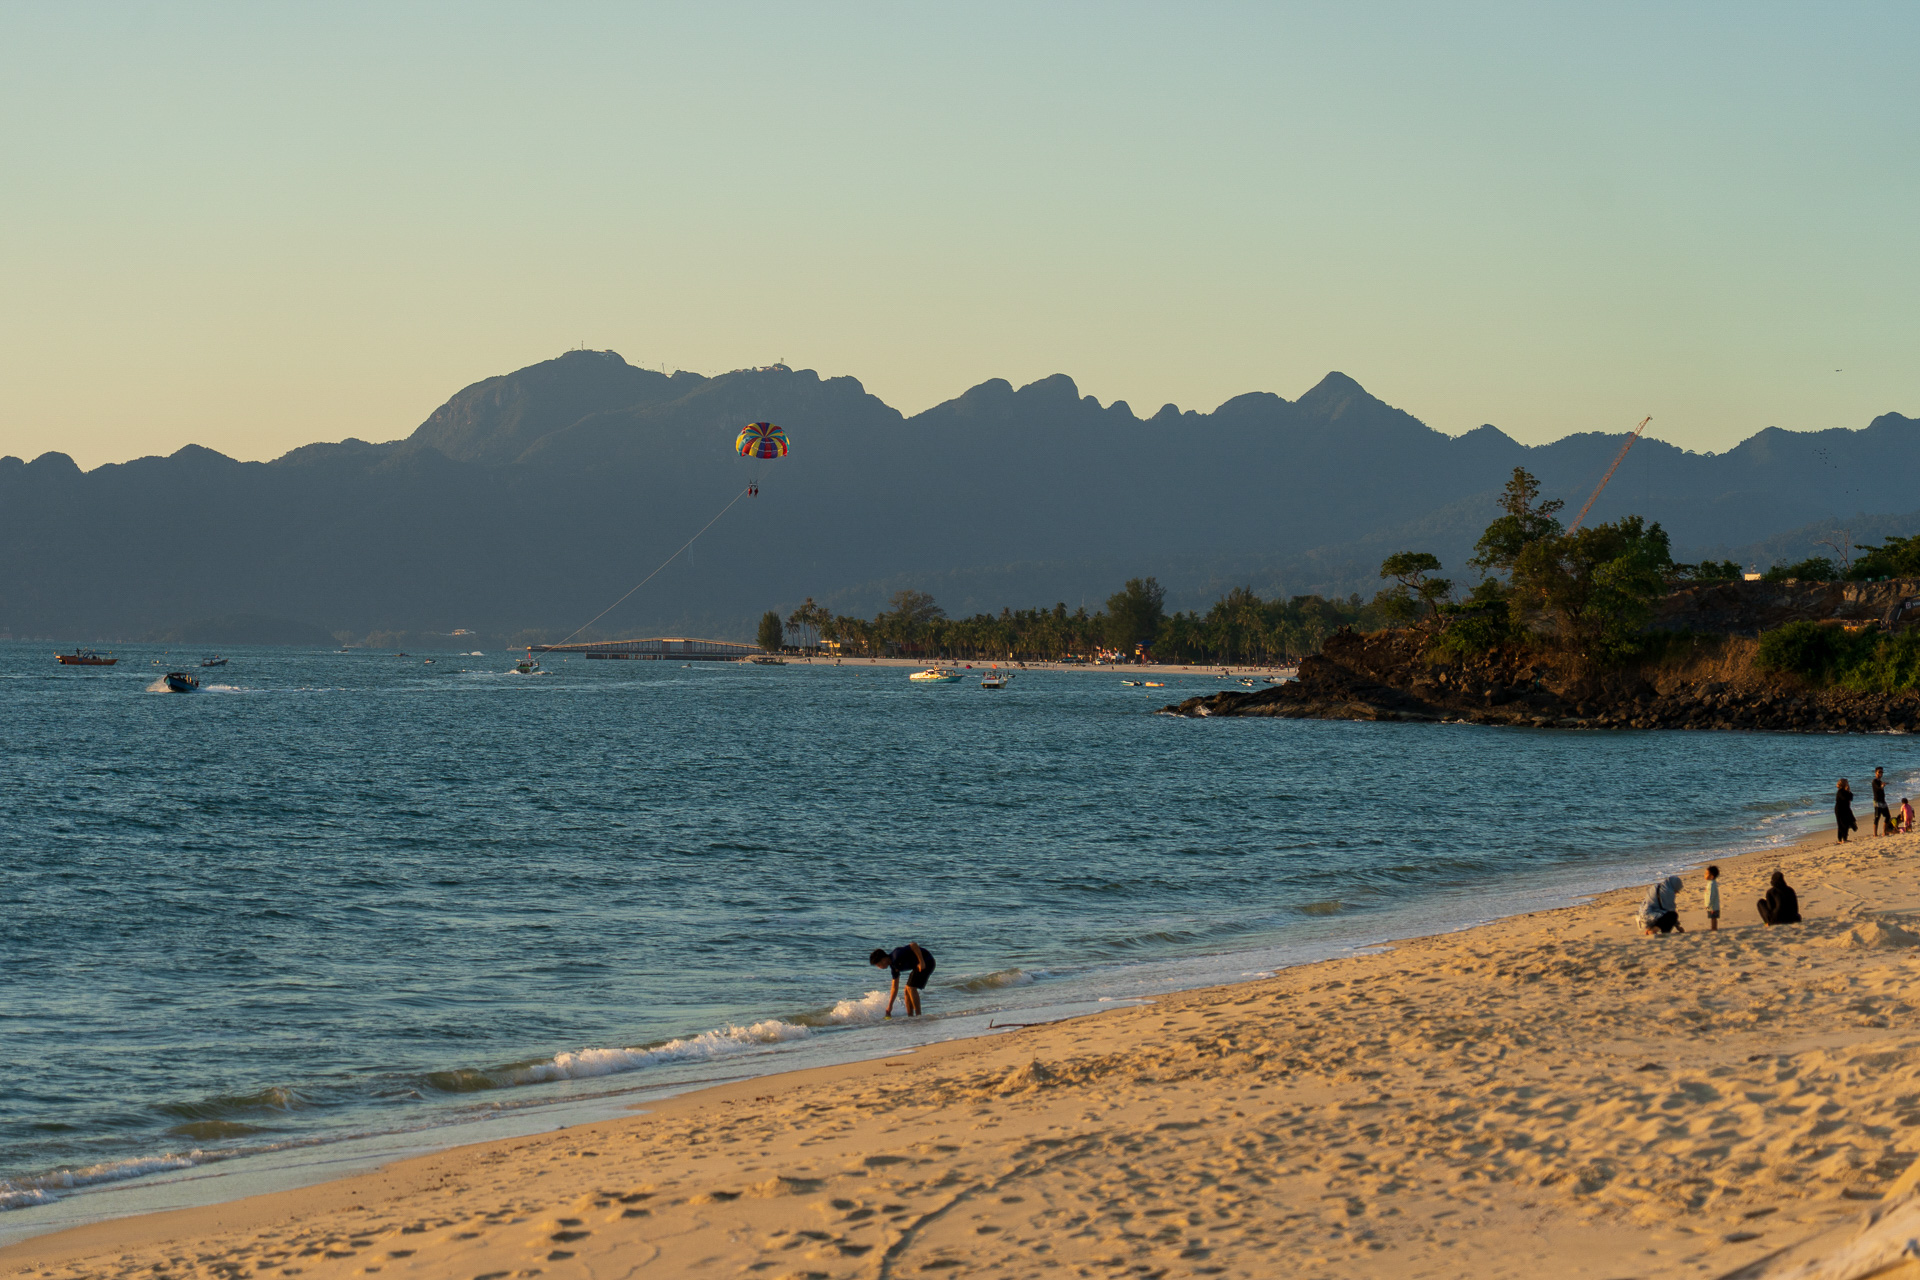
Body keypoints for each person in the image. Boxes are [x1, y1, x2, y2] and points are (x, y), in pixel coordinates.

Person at [870, 943, 936, 1018]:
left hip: (927, 962)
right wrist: (890, 1006)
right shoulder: (893, 966)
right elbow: (894, 987)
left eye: (878, 965)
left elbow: (913, 945)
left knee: (911, 988)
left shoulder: (897, 955)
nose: (879, 967)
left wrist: (921, 961)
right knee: (906, 990)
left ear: (883, 960)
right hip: (918, 966)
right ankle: (910, 1017)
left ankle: (918, 1016)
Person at [1836, 778, 1857, 843]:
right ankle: (1840, 839)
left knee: (1847, 823)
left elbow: (1851, 798)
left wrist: (1848, 791)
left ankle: (1844, 838)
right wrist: (1847, 791)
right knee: (1842, 824)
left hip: (1846, 809)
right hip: (1840, 809)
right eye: (1846, 783)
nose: (1847, 784)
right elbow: (1845, 798)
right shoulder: (1840, 791)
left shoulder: (1846, 791)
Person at [1873, 766, 1892, 836]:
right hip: (1877, 802)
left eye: (1882, 772)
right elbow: (1877, 789)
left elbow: (1881, 788)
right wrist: (1882, 786)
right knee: (1877, 817)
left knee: (1888, 816)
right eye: (1879, 772)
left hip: (1883, 801)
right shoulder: (1874, 781)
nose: (1881, 773)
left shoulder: (1880, 781)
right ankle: (1875, 834)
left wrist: (1884, 784)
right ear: (1875, 773)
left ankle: (1884, 831)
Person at [1703, 865, 1721, 932]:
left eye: (1706, 873)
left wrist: (1708, 904)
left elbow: (1711, 895)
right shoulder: (1711, 883)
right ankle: (1713, 928)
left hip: (1713, 905)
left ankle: (1714, 928)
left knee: (1713, 917)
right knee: (1713, 917)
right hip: (1713, 905)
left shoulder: (1711, 884)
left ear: (1712, 876)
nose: (1705, 875)